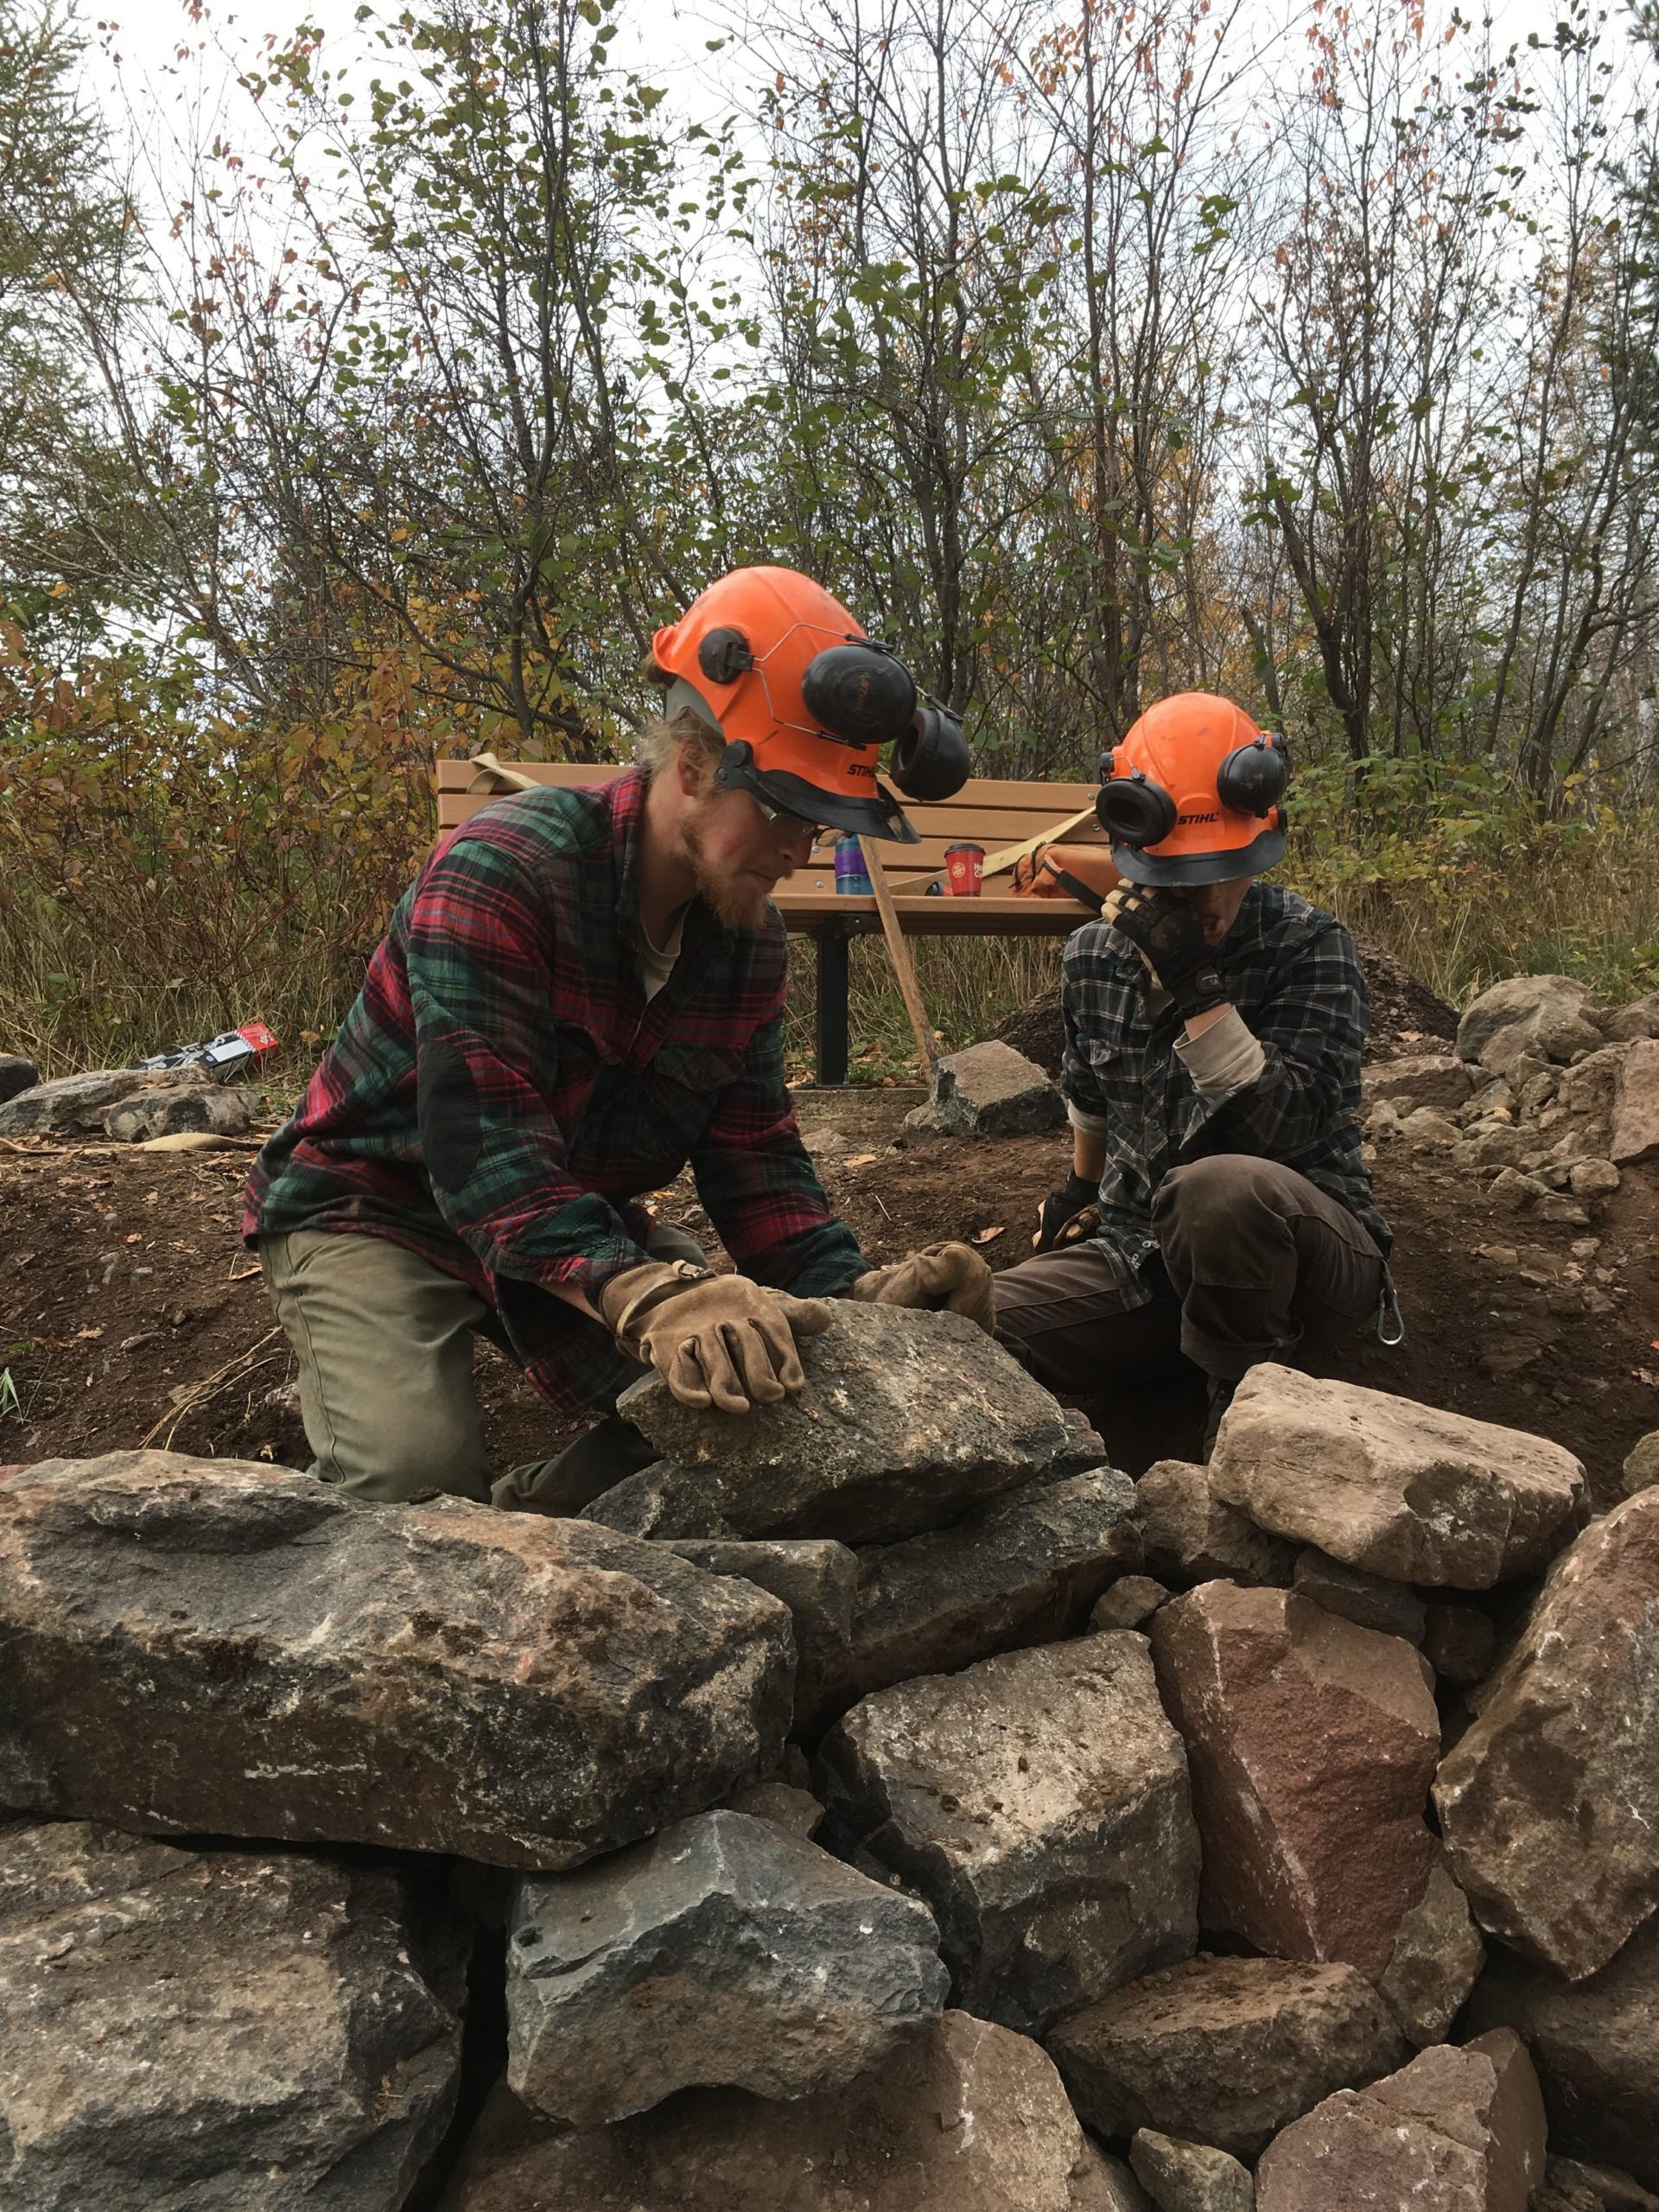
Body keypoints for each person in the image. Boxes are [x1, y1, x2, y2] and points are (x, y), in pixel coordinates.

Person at [245, 565, 992, 1510]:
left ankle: (535, 1529)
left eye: (822, 823)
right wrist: (648, 1293)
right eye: (784, 813)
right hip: (377, 1205)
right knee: (410, 1479)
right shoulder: (504, 871)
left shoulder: (747, 942)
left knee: (739, 1404)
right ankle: (287, 1536)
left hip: (562, 1210)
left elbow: (755, 1161)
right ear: (691, 764)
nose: (801, 852)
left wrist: (859, 1301)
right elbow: (485, 1158)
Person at [993, 691, 1394, 1458]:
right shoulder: (1093, 958)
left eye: (1224, 871)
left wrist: (1192, 985)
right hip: (1144, 1260)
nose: (1205, 898)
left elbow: (1279, 1130)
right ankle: (1151, 1385)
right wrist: (1079, 1189)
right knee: (973, 1320)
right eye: (1181, 875)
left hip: (1306, 1263)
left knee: (1219, 1188)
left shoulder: (1311, 948)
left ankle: (1242, 1429)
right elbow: (1089, 1089)